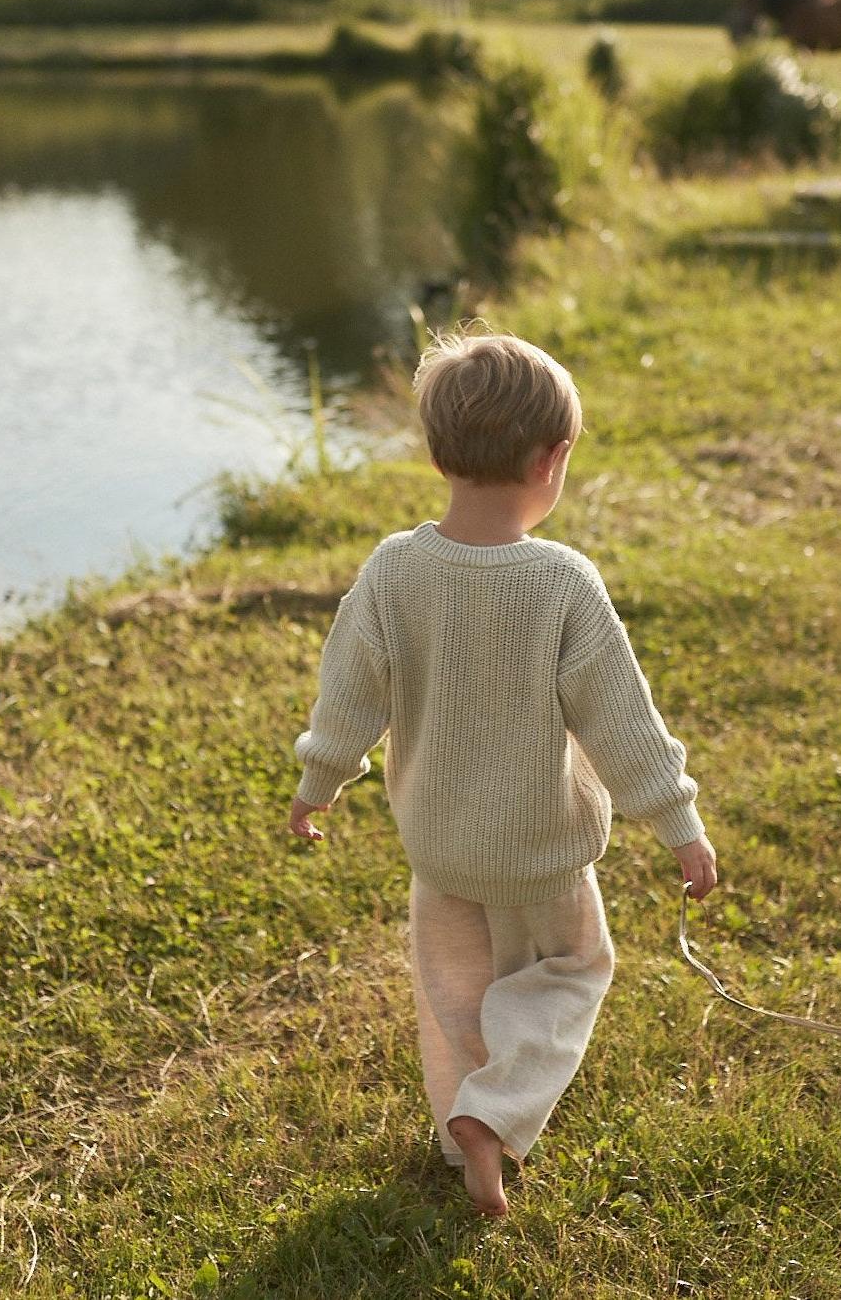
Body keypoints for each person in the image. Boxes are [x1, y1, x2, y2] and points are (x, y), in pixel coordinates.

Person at [287, 325, 717, 1217]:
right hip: (542, 849)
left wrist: (318, 781)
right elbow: (622, 723)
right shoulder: (561, 581)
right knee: (571, 970)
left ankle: (463, 1130)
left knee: (456, 998)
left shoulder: (395, 569)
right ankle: (496, 1112)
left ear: (439, 453)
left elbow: (348, 693)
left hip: (440, 849)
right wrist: (680, 824)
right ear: (550, 461)